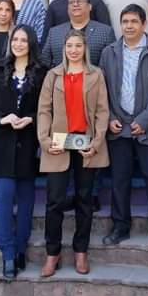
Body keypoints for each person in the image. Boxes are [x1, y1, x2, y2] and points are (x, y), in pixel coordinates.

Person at [37, 29, 109, 277]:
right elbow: (44, 110)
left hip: (85, 144)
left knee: (84, 200)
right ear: (64, 49)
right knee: (54, 201)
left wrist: (97, 142)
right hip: (58, 144)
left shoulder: (96, 74)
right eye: (69, 46)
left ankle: (81, 251)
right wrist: (45, 141)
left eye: (78, 45)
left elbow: (103, 111)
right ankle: (52, 253)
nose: (74, 50)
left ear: (85, 48)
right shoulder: (53, 75)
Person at [100, 4, 148, 247]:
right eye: (125, 21)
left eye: (133, 21)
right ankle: (120, 227)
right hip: (118, 126)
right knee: (119, 182)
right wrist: (110, 117)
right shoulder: (109, 52)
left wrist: (144, 120)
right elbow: (102, 89)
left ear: (144, 24)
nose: (129, 26)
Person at [0, 25, 45, 278]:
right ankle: (7, 253)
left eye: (24, 40)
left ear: (31, 44)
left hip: (27, 143)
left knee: (27, 199)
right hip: (1, 142)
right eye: (15, 39)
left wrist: (31, 119)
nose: (18, 43)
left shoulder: (42, 72)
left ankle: (20, 249)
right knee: (5, 197)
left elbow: (46, 107)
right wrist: (0, 117)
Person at [41, 0, 115, 68]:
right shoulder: (54, 33)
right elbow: (45, 62)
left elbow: (111, 65)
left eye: (79, 1)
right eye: (71, 2)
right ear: (67, 8)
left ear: (89, 7)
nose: (75, 4)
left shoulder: (106, 32)